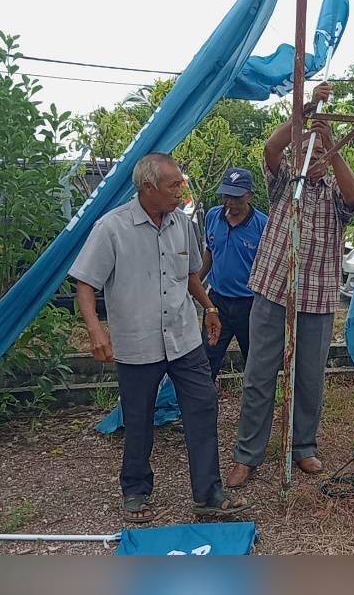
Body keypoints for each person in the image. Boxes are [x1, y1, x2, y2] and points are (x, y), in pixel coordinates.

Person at [69, 153, 248, 522]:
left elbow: (190, 274)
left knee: (202, 408)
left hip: (184, 339)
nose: (180, 190)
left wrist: (210, 308)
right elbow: (85, 284)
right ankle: (135, 491)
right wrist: (96, 330)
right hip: (138, 343)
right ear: (147, 187)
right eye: (173, 185)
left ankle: (209, 497)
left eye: (180, 183)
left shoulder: (181, 223)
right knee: (138, 419)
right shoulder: (112, 227)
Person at [225, 82, 354, 487]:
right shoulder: (286, 182)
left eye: (322, 154)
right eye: (310, 152)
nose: (316, 158)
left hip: (317, 298)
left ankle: (304, 447)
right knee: (258, 375)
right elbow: (271, 147)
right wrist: (306, 113)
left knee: (309, 379)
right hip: (273, 289)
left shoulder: (337, 192)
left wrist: (330, 145)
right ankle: (248, 455)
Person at [200, 167, 268, 379]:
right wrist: (196, 282)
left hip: (249, 304)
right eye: (227, 195)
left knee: (255, 363)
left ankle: (253, 410)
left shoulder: (262, 224)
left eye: (237, 197)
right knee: (206, 360)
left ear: (249, 195)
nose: (231, 202)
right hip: (217, 303)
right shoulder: (213, 216)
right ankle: (203, 408)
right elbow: (210, 252)